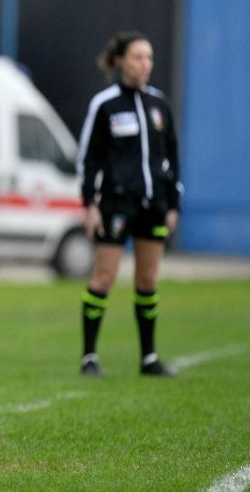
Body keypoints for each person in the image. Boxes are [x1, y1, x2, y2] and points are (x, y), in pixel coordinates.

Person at [76, 31, 182, 378]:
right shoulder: (105, 105)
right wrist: (90, 204)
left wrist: (173, 203)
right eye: (138, 57)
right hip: (116, 205)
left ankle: (148, 358)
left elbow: (172, 158)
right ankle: (89, 357)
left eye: (149, 58)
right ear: (120, 61)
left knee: (148, 280)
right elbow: (88, 159)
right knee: (104, 277)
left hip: (154, 205)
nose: (144, 64)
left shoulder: (159, 105)